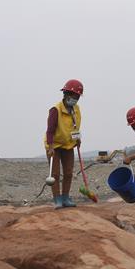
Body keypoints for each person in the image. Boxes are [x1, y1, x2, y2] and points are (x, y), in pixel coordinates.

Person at [44, 79, 83, 208]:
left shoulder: (76, 109)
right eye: (73, 95)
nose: (75, 99)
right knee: (54, 174)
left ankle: (66, 197)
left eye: (77, 96)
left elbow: (75, 126)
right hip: (54, 145)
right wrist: (50, 147)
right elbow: (50, 131)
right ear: (66, 94)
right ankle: (57, 199)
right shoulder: (55, 110)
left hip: (68, 145)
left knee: (68, 172)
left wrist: (77, 139)